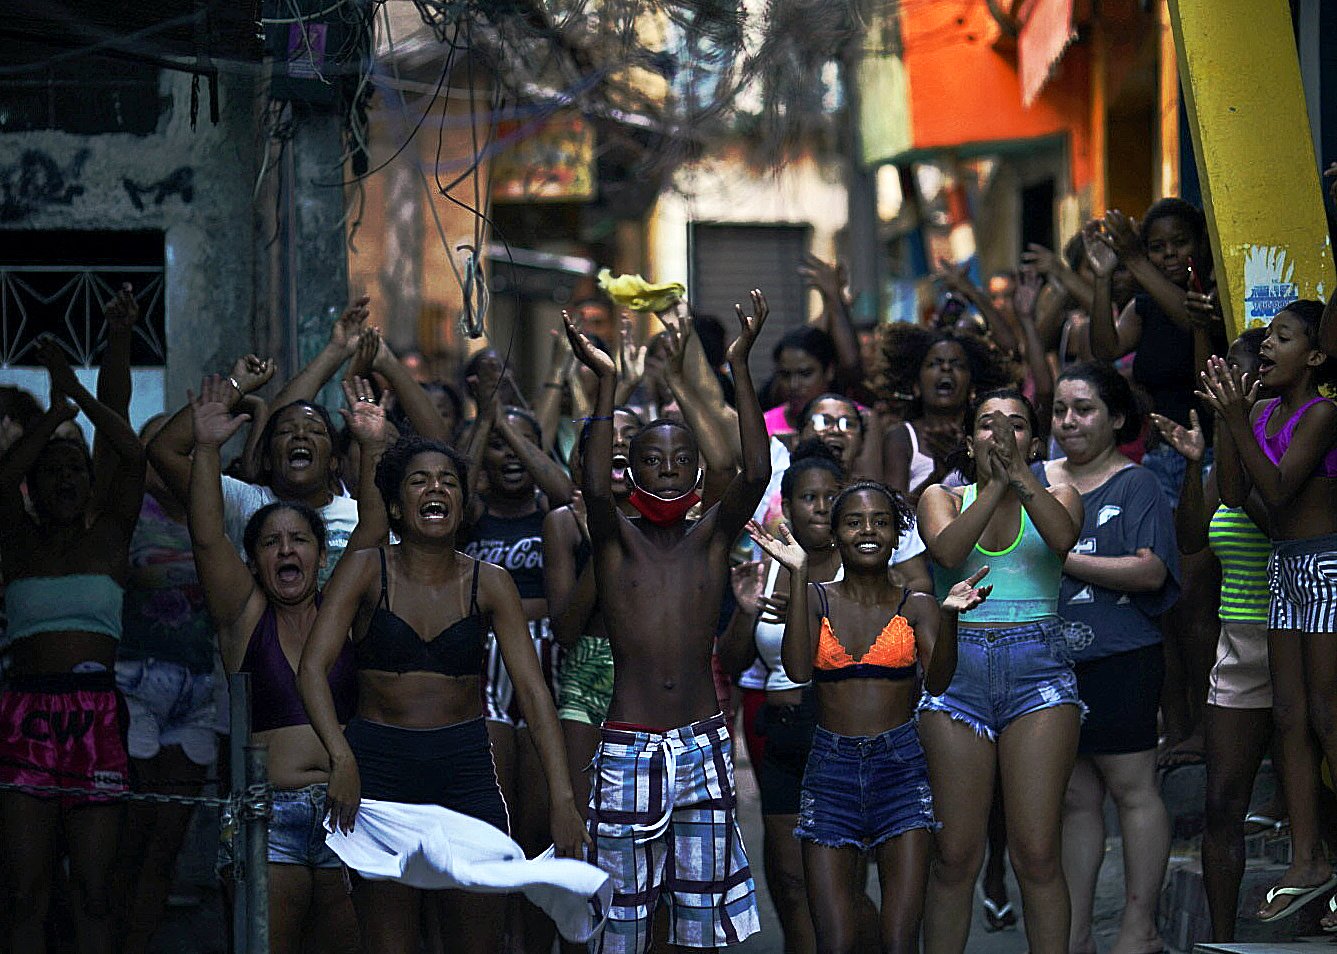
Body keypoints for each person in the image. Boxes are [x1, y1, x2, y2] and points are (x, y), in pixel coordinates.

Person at [298, 433, 587, 954]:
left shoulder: (491, 582)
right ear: (396, 505)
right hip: (378, 777)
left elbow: (534, 694)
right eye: (420, 481)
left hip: (466, 775)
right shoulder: (365, 568)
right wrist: (340, 756)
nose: (436, 489)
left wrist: (563, 799)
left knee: (477, 942)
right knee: (392, 945)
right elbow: (312, 669)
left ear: (462, 502)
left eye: (448, 481)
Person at [562, 289, 772, 952]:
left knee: (699, 916)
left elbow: (755, 469)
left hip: (703, 743)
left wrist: (738, 364)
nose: (667, 469)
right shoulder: (616, 539)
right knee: (622, 916)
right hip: (627, 744)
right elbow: (594, 488)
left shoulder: (708, 537)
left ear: (699, 472)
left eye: (681, 460)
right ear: (632, 470)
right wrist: (604, 384)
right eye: (650, 460)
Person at [189, 376, 389, 954]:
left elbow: (374, 530)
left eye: (298, 540)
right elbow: (205, 537)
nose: (285, 551)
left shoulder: (342, 614)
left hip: (348, 816)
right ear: (253, 561)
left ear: (321, 554)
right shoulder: (243, 618)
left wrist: (372, 447)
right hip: (266, 819)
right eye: (270, 543)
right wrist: (204, 447)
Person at [750, 480, 990, 954]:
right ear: (836, 534)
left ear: (898, 534)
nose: (868, 531)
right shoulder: (816, 598)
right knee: (835, 943)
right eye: (854, 521)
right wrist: (797, 577)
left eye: (881, 521)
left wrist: (952, 617)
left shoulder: (918, 605)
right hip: (830, 772)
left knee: (900, 942)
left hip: (900, 770)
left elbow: (938, 682)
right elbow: (798, 669)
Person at [916, 388, 1084, 954]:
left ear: (1036, 443)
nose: (1002, 434)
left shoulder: (1060, 493)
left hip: (1039, 675)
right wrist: (993, 485)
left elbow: (1062, 539)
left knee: (1036, 853)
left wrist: (1019, 478)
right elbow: (946, 553)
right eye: (988, 425)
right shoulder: (940, 497)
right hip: (956, 673)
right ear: (968, 441)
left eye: (1016, 425)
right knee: (955, 856)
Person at [0, 338, 144, 954]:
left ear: (91, 483)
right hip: (24, 713)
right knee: (25, 893)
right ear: (33, 485)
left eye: (76, 469)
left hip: (95, 715)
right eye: (51, 470)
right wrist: (57, 417)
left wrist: (79, 399)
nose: (65, 477)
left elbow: (133, 456)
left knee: (94, 889)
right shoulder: (18, 541)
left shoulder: (110, 535)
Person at [1196, 299, 1337, 924]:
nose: (1269, 347)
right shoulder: (1256, 410)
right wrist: (1232, 422)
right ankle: (1308, 859)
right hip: (1284, 569)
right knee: (1288, 717)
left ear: (1314, 354)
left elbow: (1278, 492)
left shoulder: (1323, 413)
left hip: (1325, 564)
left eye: (1283, 337)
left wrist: (1236, 420)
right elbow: (1233, 493)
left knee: (1329, 717)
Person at [1044, 363, 1179, 954]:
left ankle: (1137, 927)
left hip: (1123, 656)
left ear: (1116, 419)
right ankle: (1075, 937)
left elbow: (1151, 570)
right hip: (1049, 661)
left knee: (1133, 789)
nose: (1068, 421)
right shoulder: (1036, 479)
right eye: (1059, 410)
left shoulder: (1138, 483)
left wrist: (1066, 557)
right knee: (1074, 798)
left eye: (1084, 409)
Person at [1152, 329, 1274, 941]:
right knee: (1223, 804)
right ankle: (1222, 937)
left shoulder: (1287, 443)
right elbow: (1194, 546)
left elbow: (1267, 508)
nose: (1230, 385)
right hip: (1241, 651)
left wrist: (1236, 431)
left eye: (1243, 376)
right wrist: (1199, 459)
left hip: (1301, 640)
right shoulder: (1225, 450)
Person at [718, 443, 847, 954]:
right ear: (786, 509)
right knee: (791, 883)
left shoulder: (862, 566)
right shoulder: (765, 567)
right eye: (808, 498)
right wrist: (746, 610)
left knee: (841, 885)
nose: (820, 506)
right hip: (782, 735)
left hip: (842, 737)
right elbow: (730, 664)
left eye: (830, 497)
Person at [462, 398, 574, 954]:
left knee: (537, 824)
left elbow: (565, 489)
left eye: (522, 441)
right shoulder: (468, 514)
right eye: (499, 443)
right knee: (494, 822)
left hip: (545, 660)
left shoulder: (553, 514)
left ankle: (534, 943)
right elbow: (456, 480)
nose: (510, 452)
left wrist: (508, 426)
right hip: (482, 663)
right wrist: (487, 424)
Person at [114, 415, 222, 954]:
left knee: (165, 845)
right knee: (129, 835)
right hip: (136, 681)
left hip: (198, 689)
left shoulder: (216, 514)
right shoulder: (129, 512)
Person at [544, 407, 644, 814]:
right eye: (607, 437)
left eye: (630, 435)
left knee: (642, 813)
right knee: (585, 819)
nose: (618, 442)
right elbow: (566, 630)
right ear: (582, 461)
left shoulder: (667, 522)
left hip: (647, 675)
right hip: (585, 673)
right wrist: (601, 547)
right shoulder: (563, 524)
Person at [880, 325, 1011, 503]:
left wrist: (963, 462)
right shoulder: (900, 437)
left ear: (972, 388)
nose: (946, 368)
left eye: (957, 364)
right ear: (916, 386)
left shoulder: (988, 434)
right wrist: (940, 473)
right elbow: (895, 511)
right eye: (934, 363)